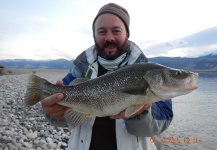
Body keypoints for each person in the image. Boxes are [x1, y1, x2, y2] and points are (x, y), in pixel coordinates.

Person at [41, 3, 173, 150]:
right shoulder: (81, 69)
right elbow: (65, 114)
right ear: (94, 35)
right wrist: (52, 113)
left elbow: (161, 122)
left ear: (127, 34)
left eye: (116, 31)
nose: (109, 37)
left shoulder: (149, 72)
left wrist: (140, 113)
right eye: (102, 31)